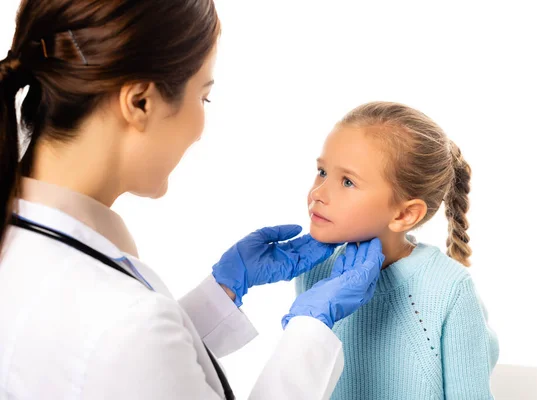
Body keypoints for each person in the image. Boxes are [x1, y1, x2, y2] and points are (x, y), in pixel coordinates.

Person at [0, 1, 384, 399]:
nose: (200, 130)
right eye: (204, 97)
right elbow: (127, 350)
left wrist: (223, 290)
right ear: (140, 102)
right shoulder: (128, 325)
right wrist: (310, 328)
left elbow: (123, 373)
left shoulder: (20, 248)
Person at [296, 101, 500, 399]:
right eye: (322, 171)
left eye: (348, 181)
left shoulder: (449, 289)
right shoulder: (317, 271)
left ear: (405, 215)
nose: (318, 193)